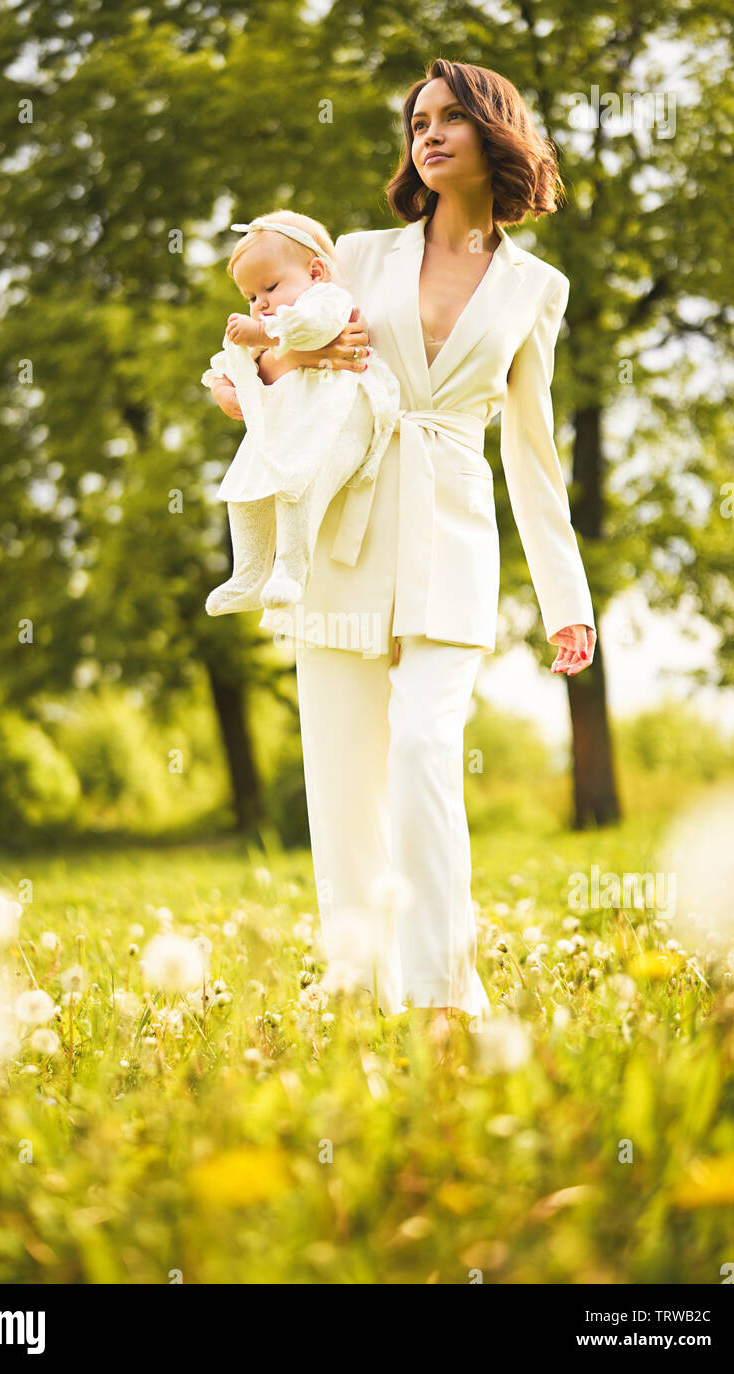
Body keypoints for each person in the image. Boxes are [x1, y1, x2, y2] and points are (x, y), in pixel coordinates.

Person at [208, 60, 597, 1043]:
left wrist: (567, 598)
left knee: (426, 745)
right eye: (416, 121)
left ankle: (440, 995)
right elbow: (267, 348)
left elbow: (534, 452)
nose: (426, 134)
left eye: (449, 118)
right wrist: (280, 357)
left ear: (493, 135)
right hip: (346, 525)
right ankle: (358, 987)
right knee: (342, 777)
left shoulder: (535, 288)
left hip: (455, 536)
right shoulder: (365, 256)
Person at [201, 212, 399, 616]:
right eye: (251, 297)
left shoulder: (326, 299)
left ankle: (291, 568)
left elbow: (316, 330)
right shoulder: (270, 320)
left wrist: (260, 335)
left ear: (315, 271)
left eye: (270, 287)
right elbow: (231, 359)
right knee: (244, 489)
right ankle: (249, 574)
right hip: (282, 421)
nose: (261, 304)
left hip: (330, 415)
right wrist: (223, 386)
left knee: (297, 482)